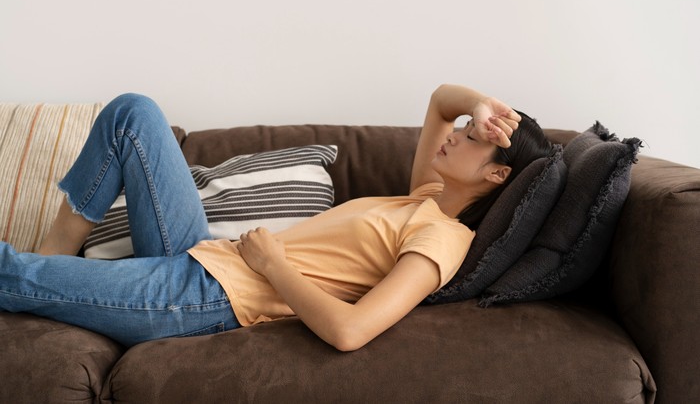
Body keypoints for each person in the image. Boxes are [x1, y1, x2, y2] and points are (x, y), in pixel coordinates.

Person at [0, 84, 551, 350]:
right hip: (205, 257)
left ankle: (38, 274)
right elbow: (440, 101)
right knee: (133, 113)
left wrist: (273, 265)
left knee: (12, 273)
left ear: (497, 174)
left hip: (211, 296)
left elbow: (351, 331)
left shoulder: (443, 240)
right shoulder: (426, 197)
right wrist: (480, 105)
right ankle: (53, 255)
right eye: (465, 127)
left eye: (472, 137)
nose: (456, 133)